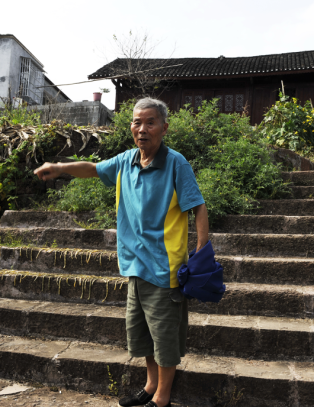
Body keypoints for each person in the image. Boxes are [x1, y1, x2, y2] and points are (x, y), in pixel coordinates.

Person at [34, 97, 209, 407]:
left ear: (164, 128)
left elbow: (198, 207)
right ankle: (150, 385)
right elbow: (92, 168)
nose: (142, 129)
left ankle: (162, 397)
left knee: (164, 336)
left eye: (150, 123)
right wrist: (59, 168)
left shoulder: (176, 163)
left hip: (164, 268)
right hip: (134, 265)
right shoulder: (126, 160)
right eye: (137, 122)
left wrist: (200, 254)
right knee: (143, 333)